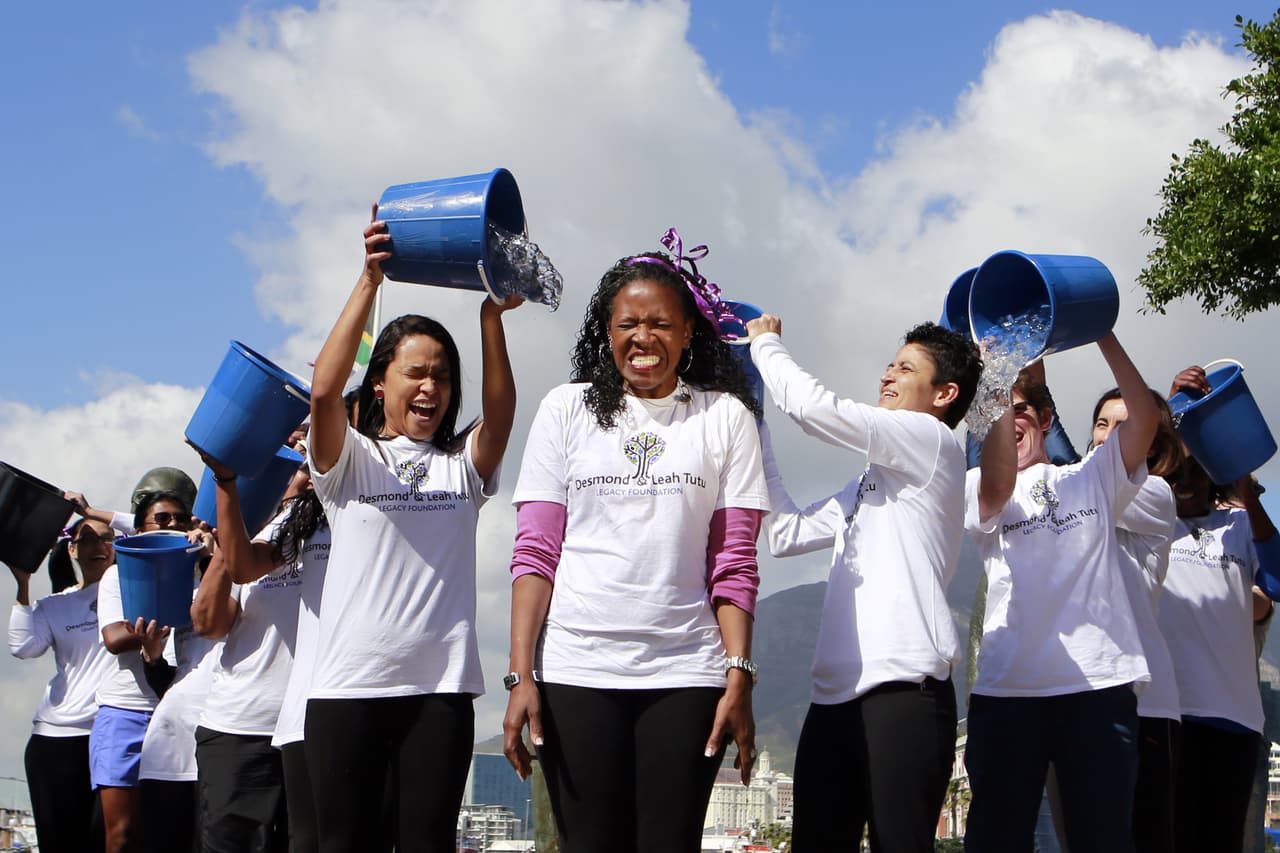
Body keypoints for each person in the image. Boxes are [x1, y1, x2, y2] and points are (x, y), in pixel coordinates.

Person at [502, 233, 769, 853]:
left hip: (687, 674)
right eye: (627, 324)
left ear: (688, 335)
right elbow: (535, 553)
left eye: (659, 324)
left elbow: (733, 563)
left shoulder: (725, 417)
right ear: (606, 331)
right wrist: (521, 675)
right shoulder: (566, 410)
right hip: (576, 669)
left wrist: (739, 676)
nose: (642, 338)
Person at [304, 210, 520, 852]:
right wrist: (369, 281)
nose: (432, 386)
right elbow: (322, 394)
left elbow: (502, 413)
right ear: (380, 383)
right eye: (415, 373)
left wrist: (490, 322)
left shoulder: (462, 468)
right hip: (349, 689)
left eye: (443, 376)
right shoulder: (347, 462)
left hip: (441, 694)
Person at [747, 317, 982, 851]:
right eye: (889, 364)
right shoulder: (871, 480)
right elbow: (786, 533)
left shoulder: (933, 442)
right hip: (833, 702)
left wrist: (764, 343)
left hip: (903, 695)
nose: (887, 375)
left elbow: (813, 411)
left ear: (944, 394)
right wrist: (752, 420)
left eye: (906, 368)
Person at [963, 332, 1158, 852]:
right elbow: (997, 482)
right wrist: (998, 387)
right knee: (994, 839)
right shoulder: (982, 487)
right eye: (1006, 410)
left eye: (1024, 410)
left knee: (1104, 838)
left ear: (1047, 420)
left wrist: (1102, 335)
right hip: (1009, 692)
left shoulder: (1093, 475)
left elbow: (1145, 418)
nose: (1015, 417)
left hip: (1097, 686)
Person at [1157, 365, 1280, 853]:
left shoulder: (1240, 527)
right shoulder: (1148, 520)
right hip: (1166, 716)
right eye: (1180, 468)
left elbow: (1277, 580)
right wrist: (1169, 415)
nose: (1188, 479)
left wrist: (1246, 487)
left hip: (1234, 719)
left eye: (1199, 469)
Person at [189, 449, 315, 853]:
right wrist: (235, 533)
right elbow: (209, 624)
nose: (299, 475)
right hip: (240, 727)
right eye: (292, 467)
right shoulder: (251, 533)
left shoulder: (334, 526)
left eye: (304, 465)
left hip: (312, 729)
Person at [1089, 387, 1182, 853]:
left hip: (1145, 704)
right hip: (1081, 702)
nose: (1107, 436)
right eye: (1101, 424)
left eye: (1123, 426)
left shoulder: (1155, 493)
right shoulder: (1070, 494)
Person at [93, 486, 201, 853]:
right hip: (127, 710)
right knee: (122, 836)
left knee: (174, 832)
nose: (171, 524)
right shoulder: (116, 576)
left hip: (179, 712)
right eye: (162, 518)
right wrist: (160, 619)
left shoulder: (202, 575)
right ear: (138, 530)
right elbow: (112, 637)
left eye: (180, 519)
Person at [9, 518, 116, 853]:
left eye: (107, 539)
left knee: (109, 840)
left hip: (111, 734)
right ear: (72, 549)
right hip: (56, 740)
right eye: (88, 540)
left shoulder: (135, 592)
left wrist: (95, 510)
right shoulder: (56, 605)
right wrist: (23, 583)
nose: (99, 547)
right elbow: (24, 646)